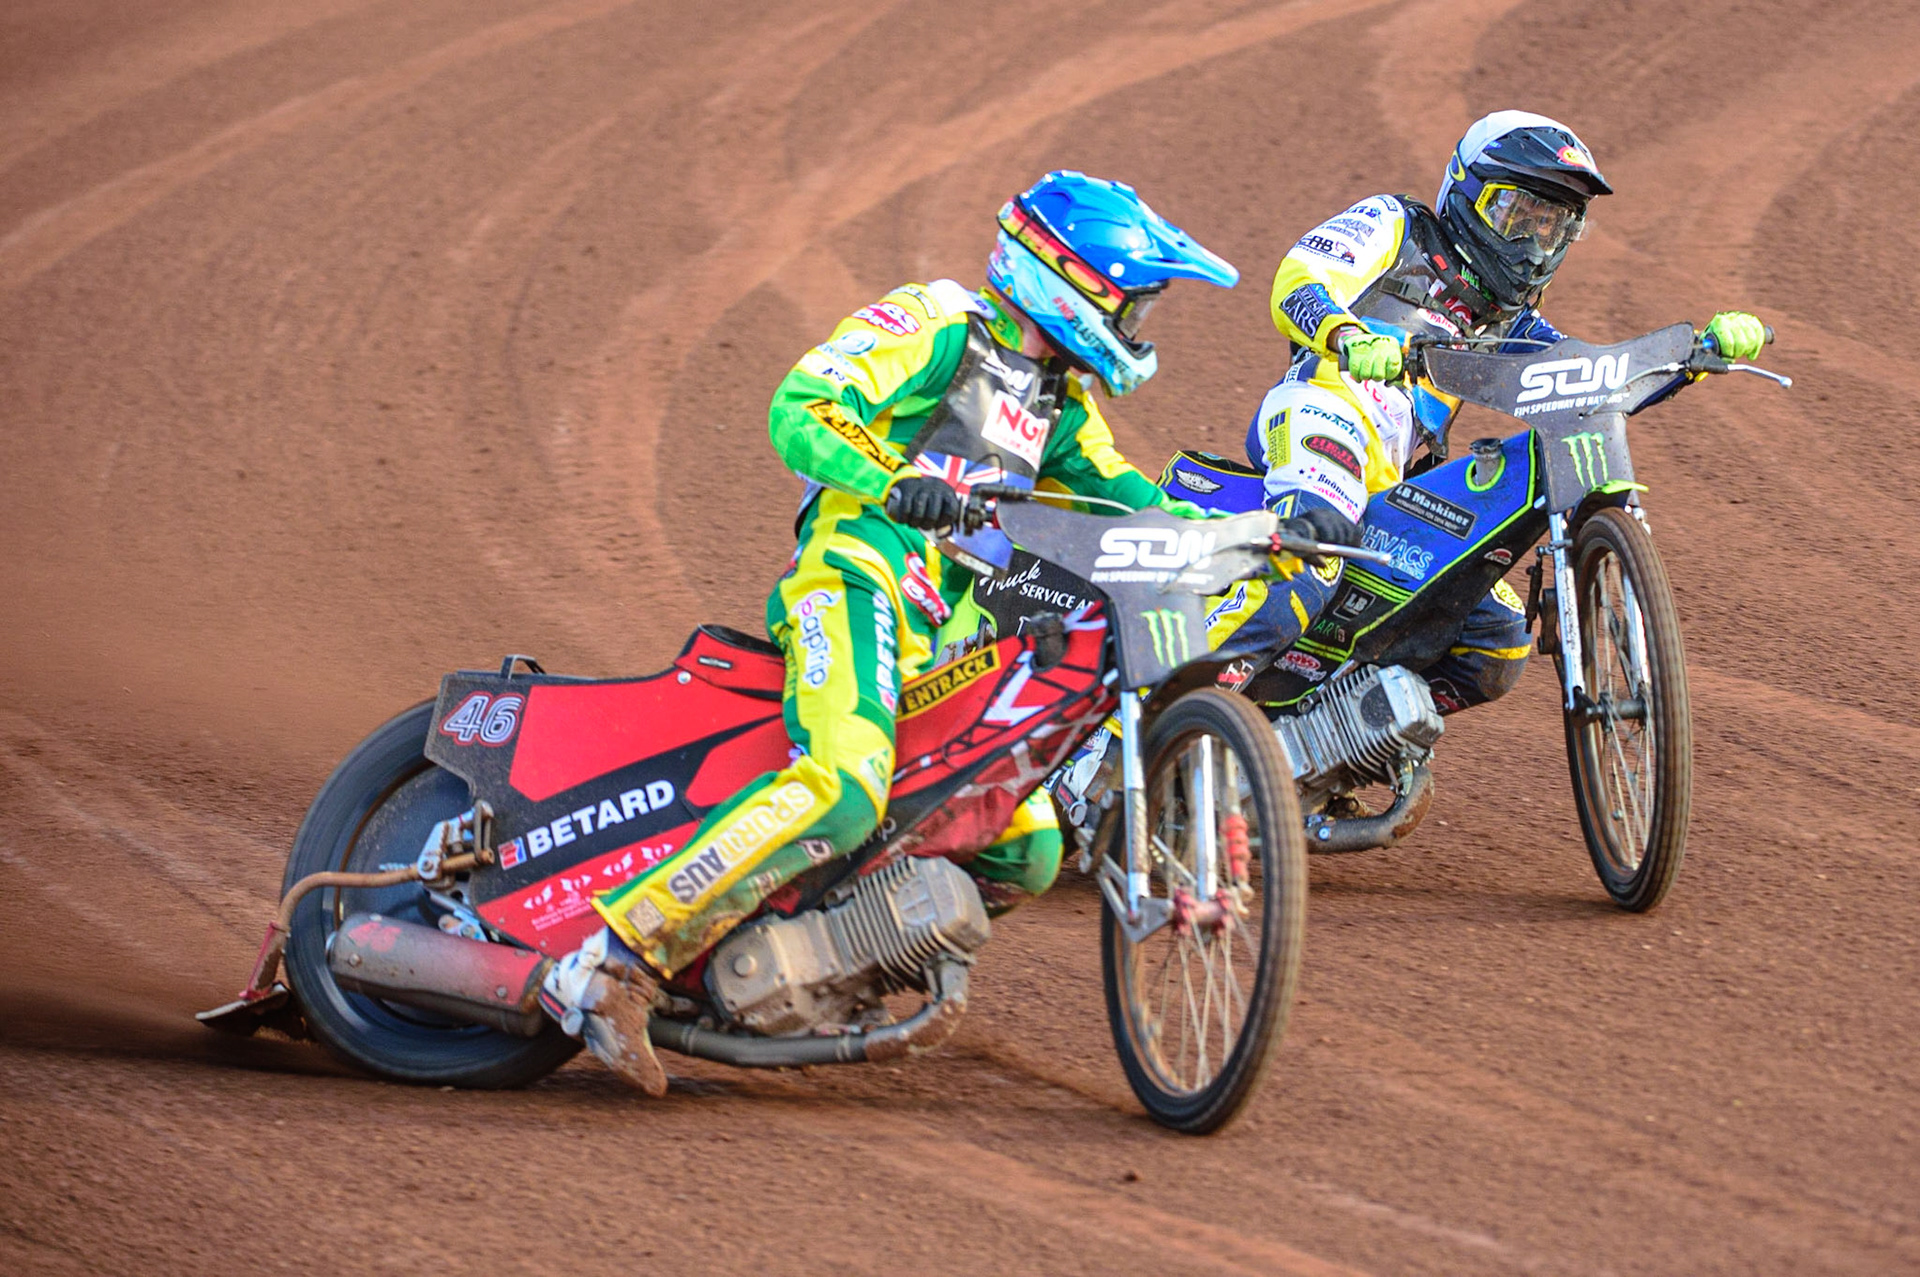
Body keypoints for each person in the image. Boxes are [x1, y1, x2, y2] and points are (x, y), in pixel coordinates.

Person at [539, 171, 1240, 1093]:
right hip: (853, 575)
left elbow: (1131, 500)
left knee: (1024, 844)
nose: (1139, 325)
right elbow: (800, 408)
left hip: (939, 635)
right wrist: (887, 477)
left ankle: (835, 955)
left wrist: (1250, 540)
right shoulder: (937, 324)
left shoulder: (1058, 402)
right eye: (1133, 301)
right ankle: (608, 960)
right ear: (1070, 279)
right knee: (844, 785)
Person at [1210, 110, 1769, 711]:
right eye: (1516, 215)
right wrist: (1348, 336)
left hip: (1396, 485)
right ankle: (1145, 716)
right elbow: (1301, 276)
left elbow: (1590, 387)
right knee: (1309, 560)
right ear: (1466, 192)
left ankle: (1332, 747)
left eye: (1552, 226)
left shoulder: (1512, 324)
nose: (1531, 242)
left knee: (1495, 640)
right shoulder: (1398, 226)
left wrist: (1694, 353)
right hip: (1321, 414)